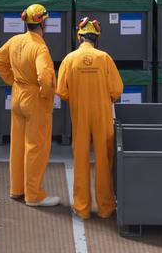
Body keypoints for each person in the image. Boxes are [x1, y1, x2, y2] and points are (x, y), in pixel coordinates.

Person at [0, 4, 60, 207]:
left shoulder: (15, 41)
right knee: (35, 147)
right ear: (42, 23)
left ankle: (17, 189)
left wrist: (12, 81)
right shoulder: (40, 48)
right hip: (34, 100)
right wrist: (45, 96)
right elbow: (45, 79)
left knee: (18, 145)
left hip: (17, 95)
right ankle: (34, 195)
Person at [56, 17, 124, 219]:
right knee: (104, 160)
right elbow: (117, 90)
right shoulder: (104, 58)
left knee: (81, 160)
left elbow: (61, 91)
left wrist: (77, 95)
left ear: (79, 37)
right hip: (102, 116)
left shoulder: (70, 59)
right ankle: (106, 208)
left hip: (80, 117)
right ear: (96, 38)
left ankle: (82, 208)